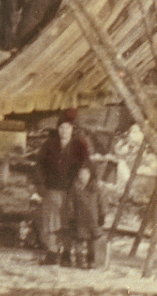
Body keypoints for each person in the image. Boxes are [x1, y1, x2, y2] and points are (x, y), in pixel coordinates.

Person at [35, 108, 90, 266]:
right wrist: (40, 184)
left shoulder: (79, 146)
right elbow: (39, 165)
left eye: (67, 128)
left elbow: (86, 167)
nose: (64, 131)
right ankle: (52, 252)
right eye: (61, 128)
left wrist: (80, 186)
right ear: (57, 129)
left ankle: (66, 253)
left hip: (71, 191)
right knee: (50, 223)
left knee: (67, 223)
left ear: (73, 129)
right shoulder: (49, 145)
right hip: (52, 190)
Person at [69, 161, 106, 269]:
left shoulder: (95, 188)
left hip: (93, 219)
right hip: (79, 219)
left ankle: (91, 261)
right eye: (80, 174)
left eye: (85, 174)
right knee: (79, 241)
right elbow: (70, 204)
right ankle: (79, 260)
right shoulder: (75, 188)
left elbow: (101, 203)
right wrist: (71, 217)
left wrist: (102, 215)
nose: (82, 176)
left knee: (92, 242)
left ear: (90, 175)